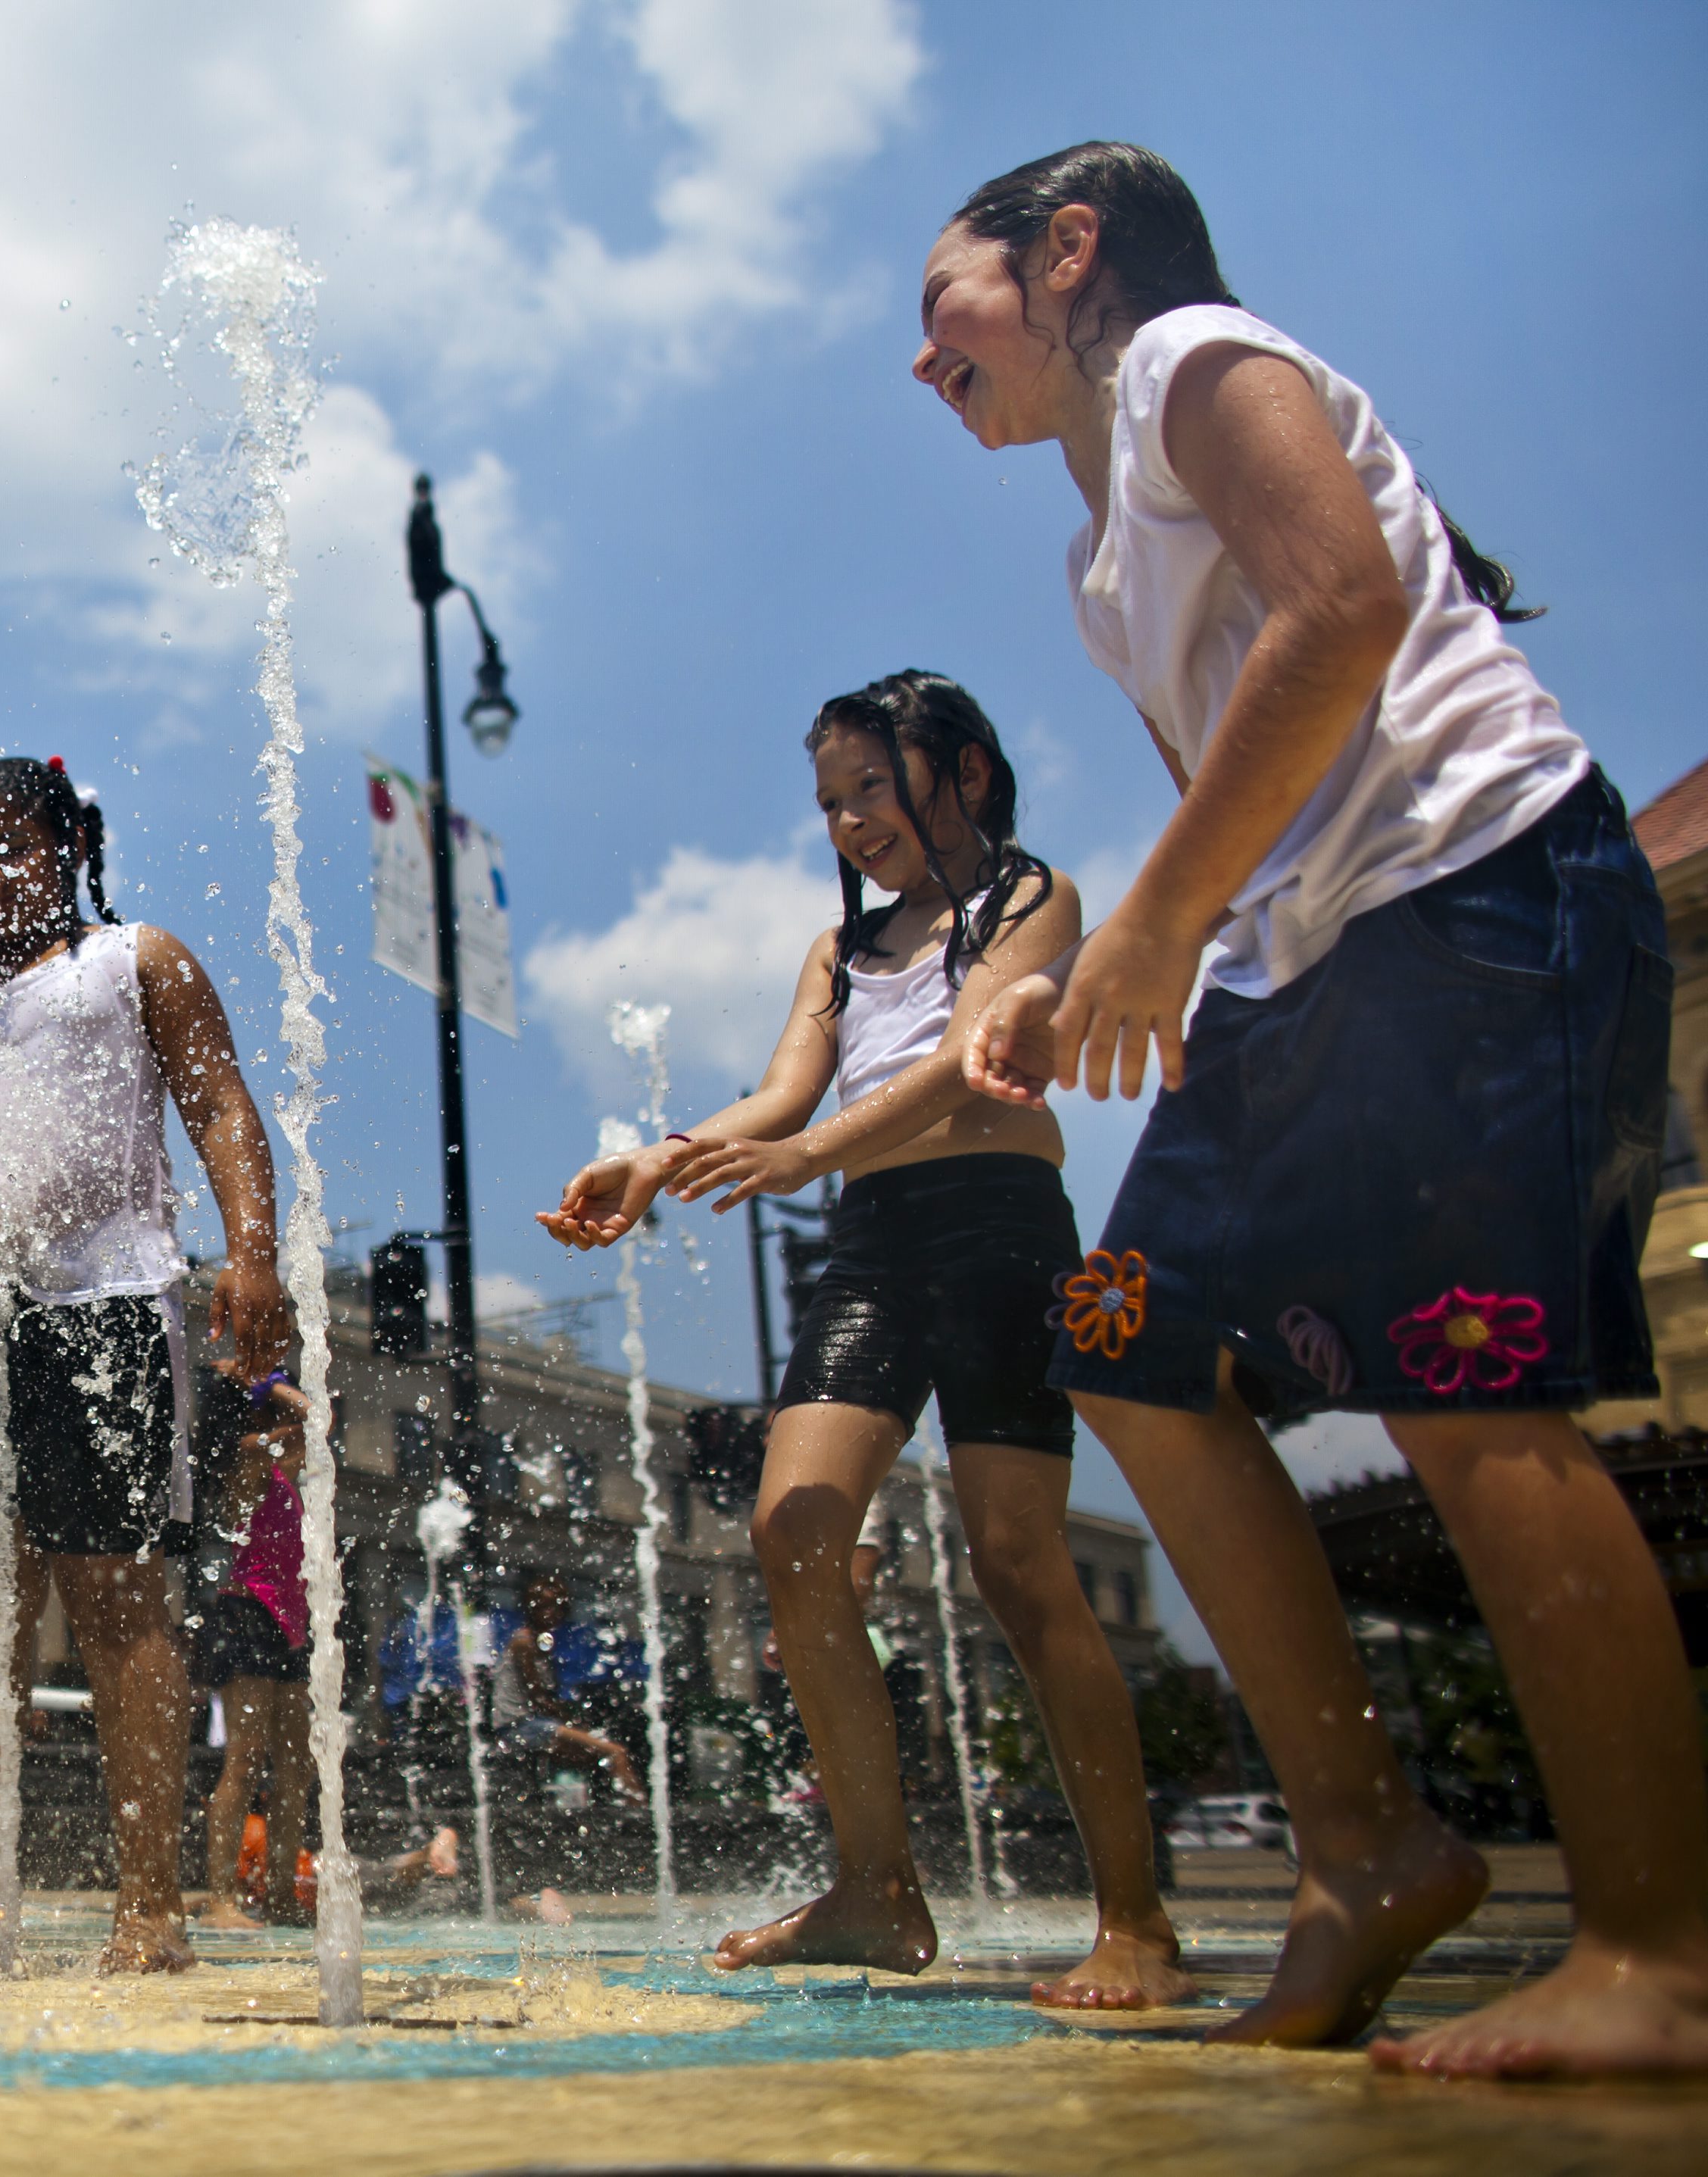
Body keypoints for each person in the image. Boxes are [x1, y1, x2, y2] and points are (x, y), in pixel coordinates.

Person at [915, 142, 1708, 2075]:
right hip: (1308, 960)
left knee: (1463, 1386)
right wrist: (1110, 972)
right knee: (1118, 1344)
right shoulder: (1100, 533)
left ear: (1064, 255)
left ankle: (1664, 1952)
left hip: (1485, 892)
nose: (918, 358)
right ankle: (1367, 1849)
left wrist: (1161, 926)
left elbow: (1343, 610)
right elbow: (1244, 783)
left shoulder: (1195, 357)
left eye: (939, 302)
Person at [541, 669, 1186, 2010]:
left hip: (1000, 1222)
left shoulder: (1031, 897)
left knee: (1017, 1564)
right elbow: (784, 1088)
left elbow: (968, 1058)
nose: (845, 818)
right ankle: (875, 1886)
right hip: (874, 1244)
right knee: (793, 1528)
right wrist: (655, 1160)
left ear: (961, 773)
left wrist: (813, 1151)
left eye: (869, 786)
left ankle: (1135, 1912)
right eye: (828, 799)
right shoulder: (838, 951)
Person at [0, 757, 291, 1975]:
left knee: (120, 1599)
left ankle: (150, 1908)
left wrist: (253, 1252)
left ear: (73, 843)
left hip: (106, 1299)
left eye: (21, 841)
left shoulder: (134, 958)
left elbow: (221, 1103)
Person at [192, 1363, 316, 1932]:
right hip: (247, 1615)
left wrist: (268, 1380)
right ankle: (221, 1898)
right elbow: (312, 1417)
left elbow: (319, 1425)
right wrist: (266, 1379)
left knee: (296, 1768)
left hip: (292, 1622)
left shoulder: (287, 1466)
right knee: (243, 1761)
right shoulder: (249, 1462)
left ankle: (285, 1895)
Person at [495, 1573, 642, 1800]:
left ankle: (608, 1809)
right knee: (616, 1753)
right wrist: (572, 1722)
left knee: (594, 1757)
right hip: (521, 1727)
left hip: (536, 1724)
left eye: (557, 1608)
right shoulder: (524, 1642)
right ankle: (640, 1817)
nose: (552, 1614)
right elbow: (538, 1697)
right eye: (545, 1607)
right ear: (531, 1608)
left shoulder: (539, 1642)